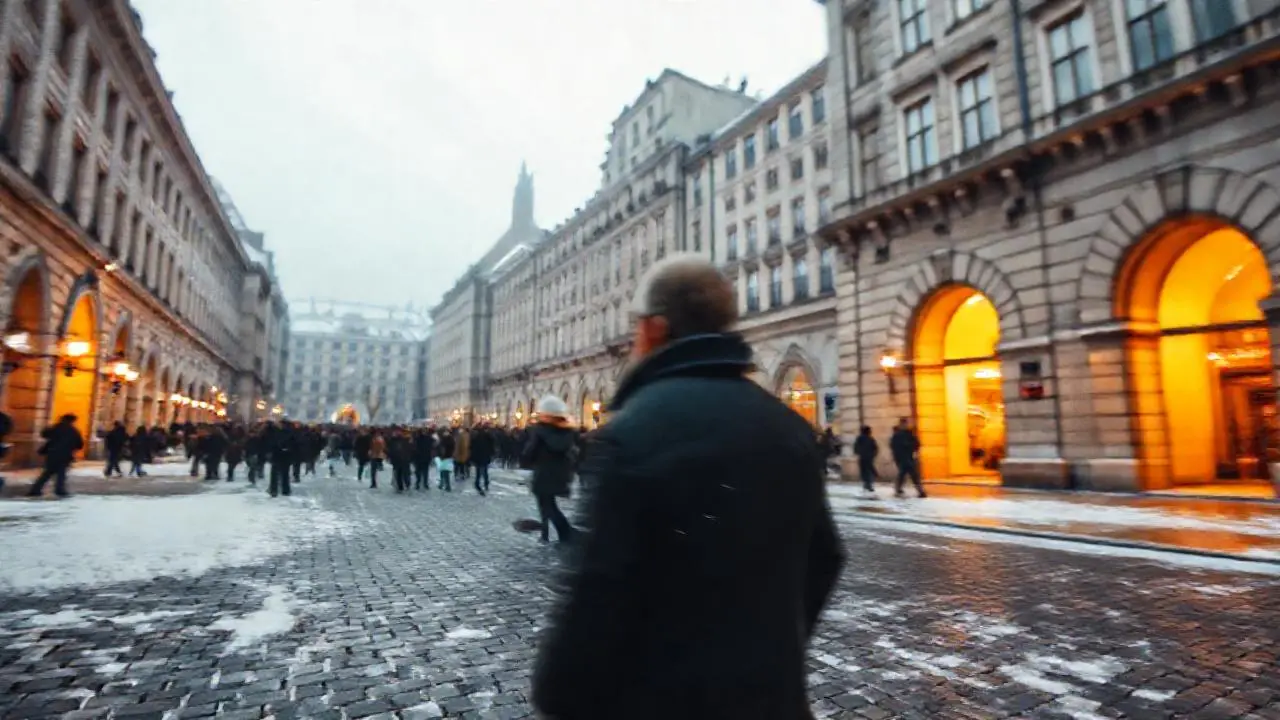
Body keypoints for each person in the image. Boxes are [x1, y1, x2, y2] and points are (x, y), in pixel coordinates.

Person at [531, 255, 844, 720]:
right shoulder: (788, 426)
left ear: (654, 329)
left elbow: (595, 595)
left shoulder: (631, 432)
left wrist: (558, 693)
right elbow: (827, 557)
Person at [522, 396, 577, 544]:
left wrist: (527, 457)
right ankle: (560, 534)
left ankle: (560, 533)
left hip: (544, 472)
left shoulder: (540, 431)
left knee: (546, 505)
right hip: (560, 473)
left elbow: (530, 451)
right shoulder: (567, 431)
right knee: (550, 505)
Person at [27, 414, 84, 499]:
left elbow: (44, 434)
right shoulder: (74, 431)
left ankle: (35, 490)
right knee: (61, 473)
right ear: (72, 421)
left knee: (47, 472)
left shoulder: (56, 428)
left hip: (52, 453)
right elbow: (79, 445)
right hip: (65, 455)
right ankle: (59, 490)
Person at [890, 418, 926, 498]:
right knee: (908, 474)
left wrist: (912, 448)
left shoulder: (909, 434)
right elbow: (894, 447)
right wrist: (898, 457)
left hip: (909, 457)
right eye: (903, 424)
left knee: (909, 474)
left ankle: (919, 491)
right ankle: (919, 491)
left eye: (906, 424)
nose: (905, 425)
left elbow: (917, 444)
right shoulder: (897, 435)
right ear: (901, 424)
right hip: (902, 458)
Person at [853, 425, 879, 493]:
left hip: (863, 457)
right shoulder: (870, 439)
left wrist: (859, 453)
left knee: (865, 472)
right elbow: (875, 448)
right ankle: (868, 484)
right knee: (868, 471)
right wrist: (873, 454)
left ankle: (867, 484)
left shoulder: (860, 438)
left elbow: (856, 448)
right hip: (868, 458)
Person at [470, 422, 494, 496]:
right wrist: (491, 454)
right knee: (484, 471)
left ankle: (478, 483)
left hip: (478, 456)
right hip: (485, 456)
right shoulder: (487, 435)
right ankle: (485, 484)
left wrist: (472, 457)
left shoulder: (475, 436)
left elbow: (472, 447)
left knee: (479, 471)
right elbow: (492, 445)